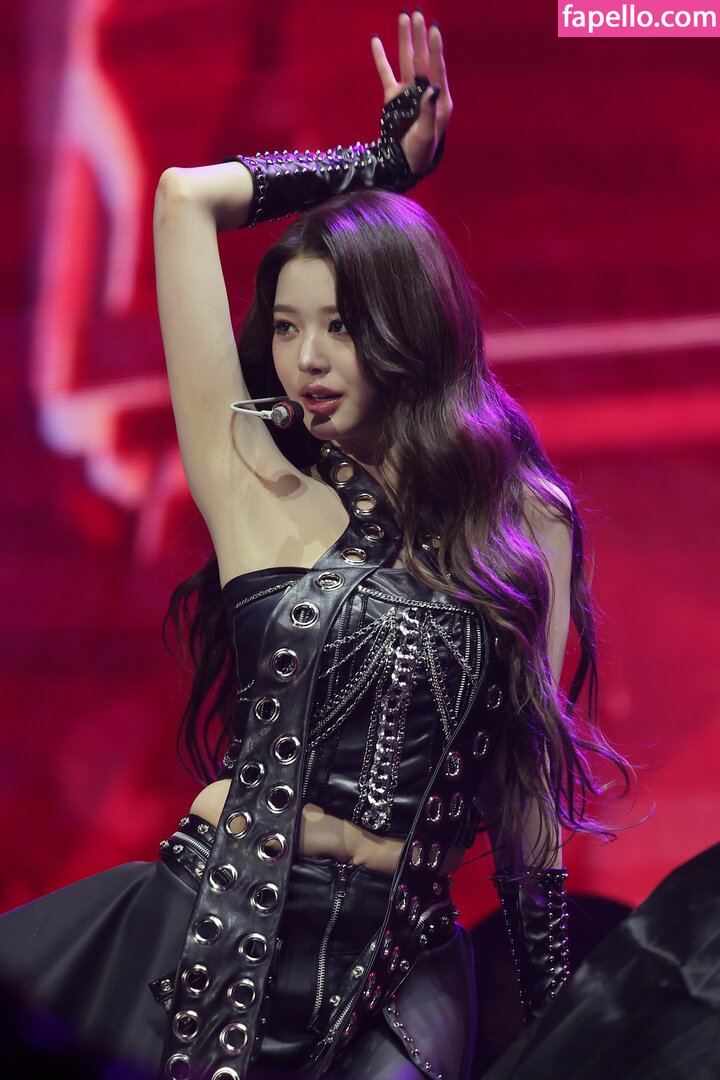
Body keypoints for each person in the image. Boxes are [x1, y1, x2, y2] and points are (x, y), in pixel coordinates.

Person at [0, 11, 629, 1080]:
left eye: (338, 325)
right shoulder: (255, 481)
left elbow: (525, 793)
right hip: (216, 929)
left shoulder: (527, 522)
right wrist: (375, 167)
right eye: (287, 327)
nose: (306, 361)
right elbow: (182, 199)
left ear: (408, 328)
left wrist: (555, 1021)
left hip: (406, 968)